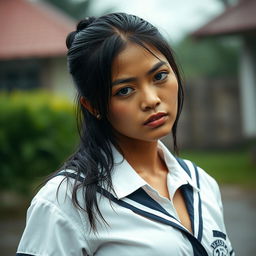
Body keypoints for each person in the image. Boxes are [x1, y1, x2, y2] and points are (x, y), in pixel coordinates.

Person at [16, 12, 234, 256]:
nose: (151, 100)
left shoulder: (201, 183)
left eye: (159, 76)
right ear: (94, 106)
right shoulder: (64, 202)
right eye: (125, 90)